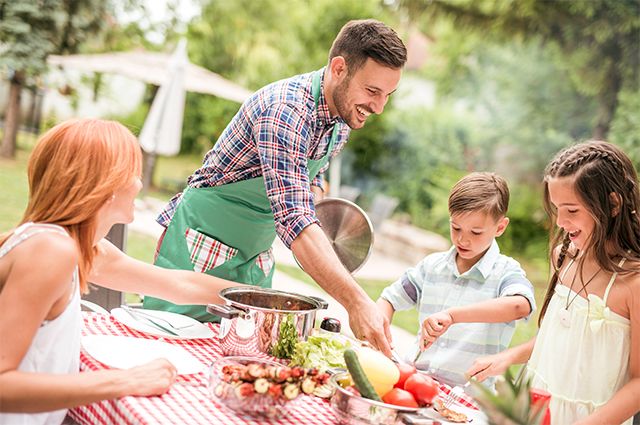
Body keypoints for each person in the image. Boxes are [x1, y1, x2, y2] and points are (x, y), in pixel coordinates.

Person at [144, 19, 407, 355]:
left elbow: (308, 182)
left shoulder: (340, 120)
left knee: (241, 358)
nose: (379, 107)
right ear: (339, 68)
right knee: (164, 350)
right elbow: (294, 219)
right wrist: (356, 302)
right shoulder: (285, 110)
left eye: (387, 95)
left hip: (253, 259)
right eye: (372, 91)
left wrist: (320, 209)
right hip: (200, 248)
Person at [0, 119, 244, 424]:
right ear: (105, 185)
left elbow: (178, 284)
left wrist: (268, 302)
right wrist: (128, 381)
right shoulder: (51, 251)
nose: (139, 182)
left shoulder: (78, 246)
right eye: (132, 171)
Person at [467, 141, 640, 424]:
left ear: (612, 205)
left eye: (572, 211)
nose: (560, 221)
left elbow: (638, 384)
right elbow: (561, 337)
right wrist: (508, 357)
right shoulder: (564, 256)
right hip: (538, 409)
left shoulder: (633, 282)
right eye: (557, 208)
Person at [377, 172, 535, 387]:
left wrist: (453, 316)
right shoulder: (432, 266)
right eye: (456, 227)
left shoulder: (506, 272)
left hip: (465, 396)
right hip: (416, 381)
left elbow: (520, 305)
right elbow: (390, 299)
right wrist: (379, 333)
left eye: (476, 232)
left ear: (500, 227)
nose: (463, 239)